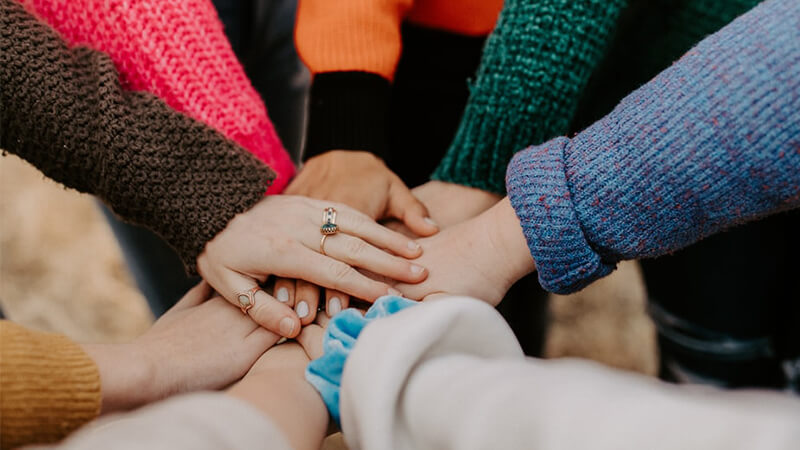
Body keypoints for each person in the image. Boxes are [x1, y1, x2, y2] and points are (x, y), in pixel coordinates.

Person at [1, 0, 426, 341]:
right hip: (125, 33)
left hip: (288, 15)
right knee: (230, 308)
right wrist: (199, 188)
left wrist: (345, 122)